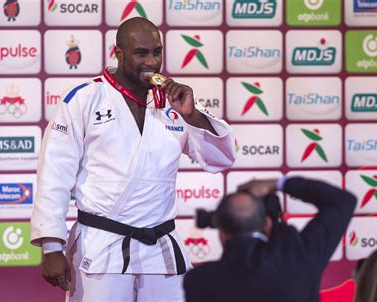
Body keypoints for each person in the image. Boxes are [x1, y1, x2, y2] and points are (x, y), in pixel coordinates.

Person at [30, 17, 235, 302]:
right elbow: (54, 173)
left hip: (160, 246)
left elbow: (222, 159)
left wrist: (192, 115)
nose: (151, 62)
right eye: (141, 53)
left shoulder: (175, 103)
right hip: (102, 246)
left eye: (157, 52)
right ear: (119, 53)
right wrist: (51, 247)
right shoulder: (85, 98)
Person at [184, 176, 356, 302]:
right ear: (267, 223)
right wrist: (278, 183)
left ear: (221, 232)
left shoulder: (198, 282)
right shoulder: (300, 259)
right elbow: (342, 201)